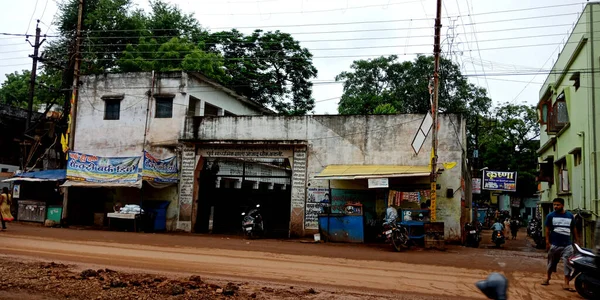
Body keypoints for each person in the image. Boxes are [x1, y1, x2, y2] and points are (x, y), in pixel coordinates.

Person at [541, 198, 578, 291]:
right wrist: (547, 242)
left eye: (557, 205)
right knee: (551, 263)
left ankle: (566, 283)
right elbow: (547, 229)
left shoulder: (570, 216)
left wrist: (577, 240)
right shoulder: (550, 216)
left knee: (568, 264)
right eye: (554, 205)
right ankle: (547, 278)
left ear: (562, 205)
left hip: (567, 245)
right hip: (554, 244)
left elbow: (574, 229)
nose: (555, 206)